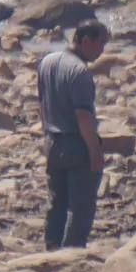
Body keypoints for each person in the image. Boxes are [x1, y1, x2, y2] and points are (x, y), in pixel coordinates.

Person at [38, 19, 111, 250]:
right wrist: (95, 151)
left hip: (53, 140)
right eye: (101, 43)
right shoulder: (80, 72)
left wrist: (45, 135)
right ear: (85, 40)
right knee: (81, 207)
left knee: (57, 202)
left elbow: (42, 103)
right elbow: (83, 117)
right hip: (75, 143)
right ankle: (72, 254)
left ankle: (51, 248)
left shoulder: (47, 62)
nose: (102, 50)